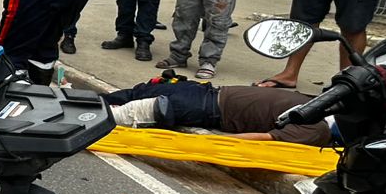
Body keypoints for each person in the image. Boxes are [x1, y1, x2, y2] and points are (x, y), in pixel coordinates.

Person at [104, 76, 334, 146]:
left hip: (200, 90)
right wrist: (216, 142)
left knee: (132, 94)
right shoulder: (316, 127)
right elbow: (262, 139)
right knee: (120, 116)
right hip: (202, 107)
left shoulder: (308, 101)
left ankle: (70, 100)